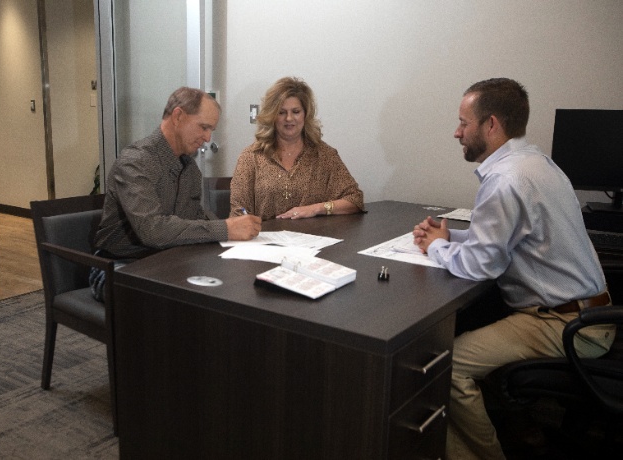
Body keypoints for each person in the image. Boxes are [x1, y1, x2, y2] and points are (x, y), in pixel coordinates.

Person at [412, 78, 614, 460]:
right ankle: (523, 428)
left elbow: (481, 265)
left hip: (566, 324)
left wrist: (437, 246)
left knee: (446, 365)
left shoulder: (506, 179)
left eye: (463, 122)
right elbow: (509, 234)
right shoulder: (536, 162)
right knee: (472, 319)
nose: (457, 132)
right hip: (590, 311)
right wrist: (450, 236)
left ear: (491, 125)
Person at [91, 87, 261, 299]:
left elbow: (194, 218)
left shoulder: (189, 168)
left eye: (211, 130)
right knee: (183, 303)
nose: (208, 138)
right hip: (117, 267)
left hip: (167, 261)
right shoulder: (135, 162)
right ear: (178, 116)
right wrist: (225, 229)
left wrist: (232, 228)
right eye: (204, 127)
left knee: (231, 287)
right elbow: (153, 230)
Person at [229, 77, 364, 221]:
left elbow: (355, 200)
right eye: (281, 112)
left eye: (296, 111)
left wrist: (315, 208)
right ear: (272, 116)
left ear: (305, 115)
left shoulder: (324, 155)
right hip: (266, 240)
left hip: (316, 239)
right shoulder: (251, 157)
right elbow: (238, 212)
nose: (289, 118)